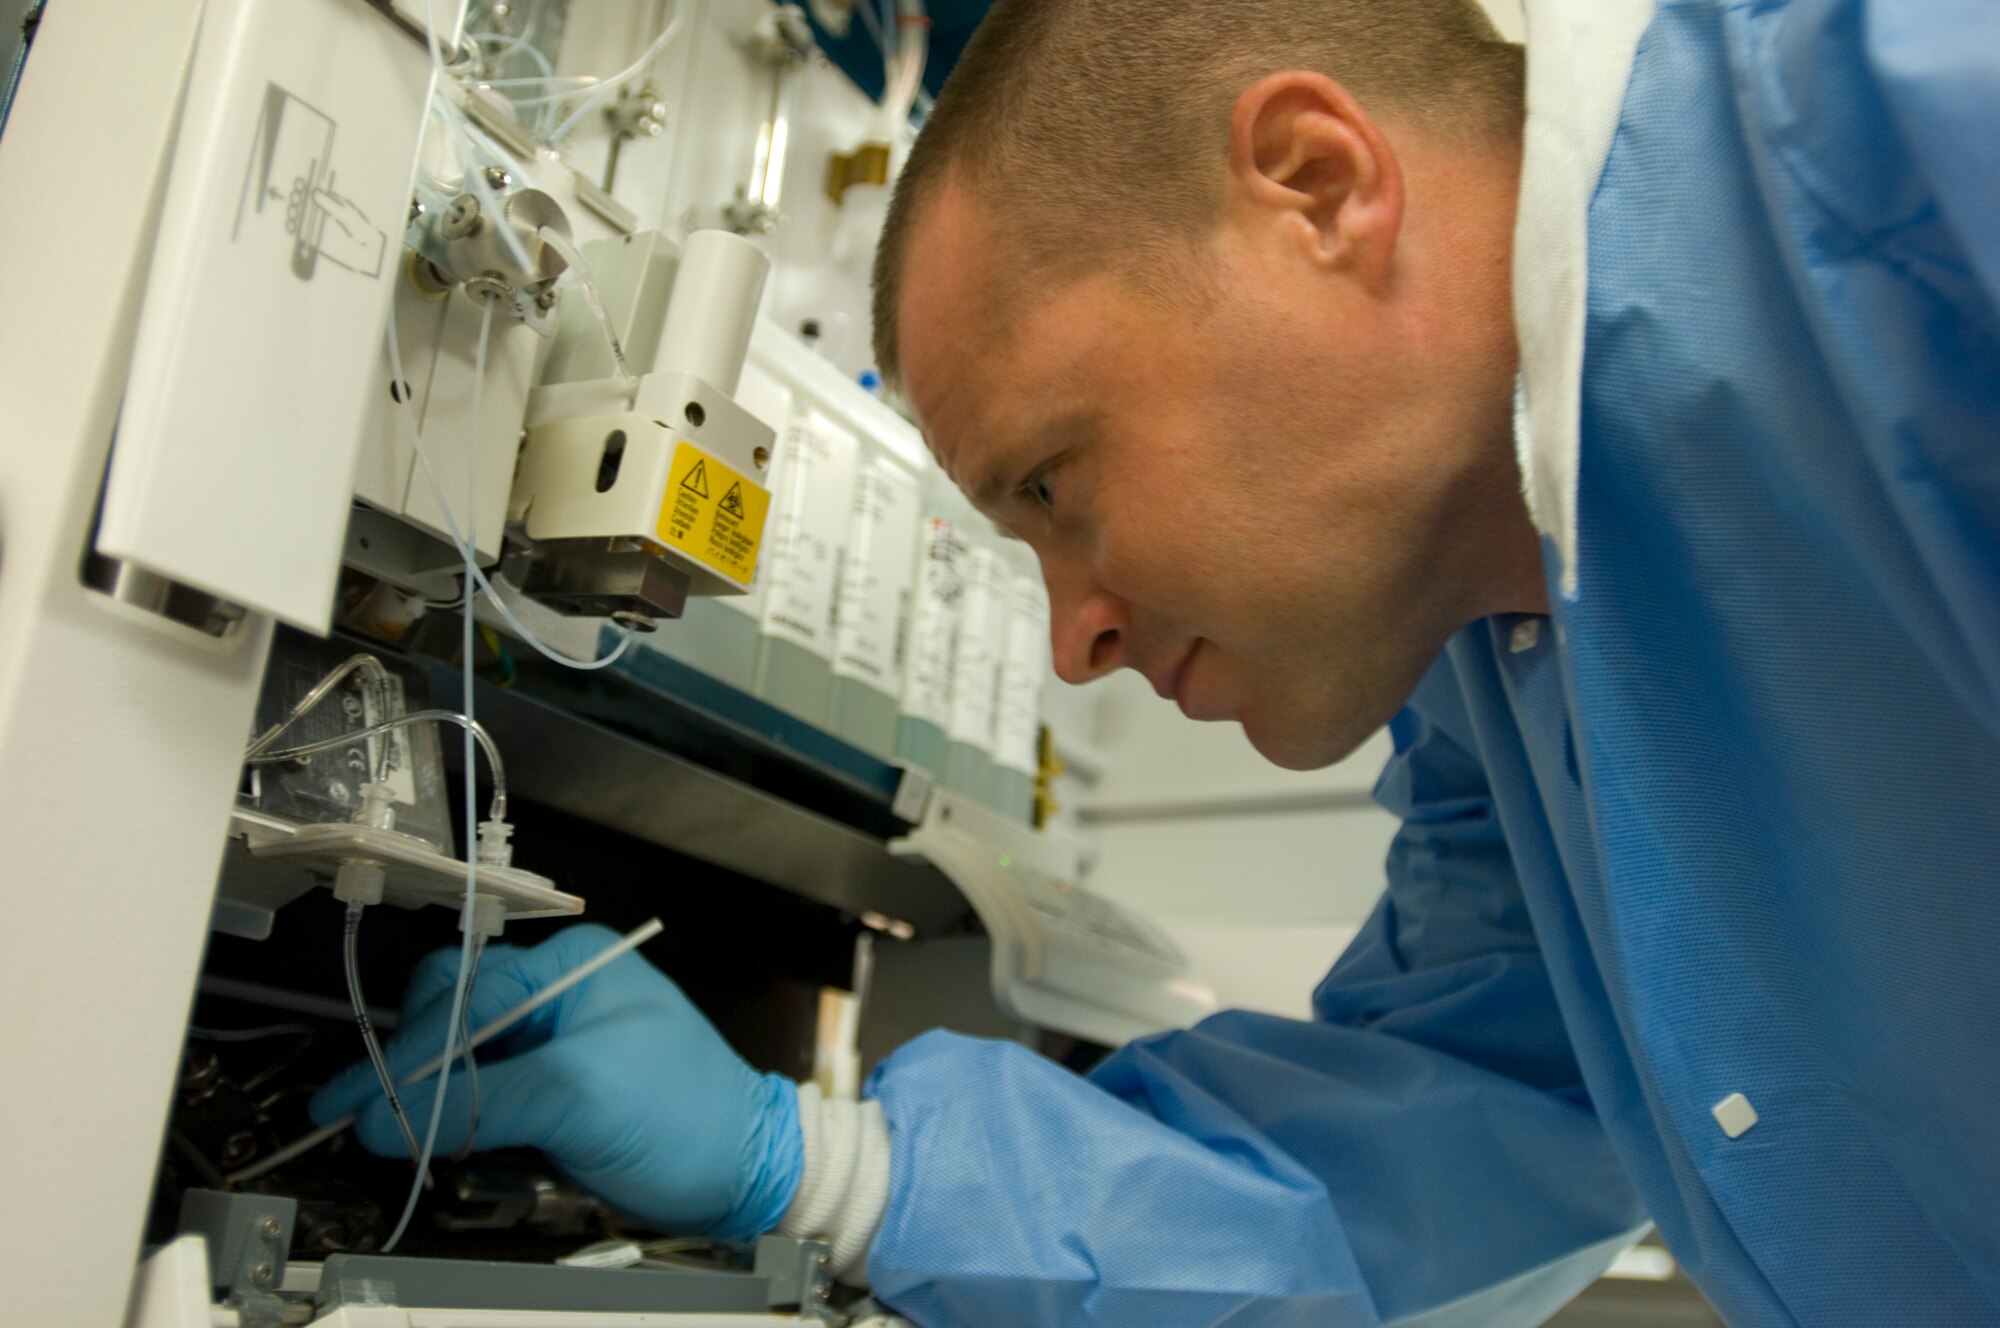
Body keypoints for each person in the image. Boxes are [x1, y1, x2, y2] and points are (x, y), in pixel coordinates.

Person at [315, 0, 2000, 1320]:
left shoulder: (1902, 136)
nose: (1075, 639)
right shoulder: (1522, 704)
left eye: (1053, 482)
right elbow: (1446, 1138)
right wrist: (810, 1166)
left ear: (1318, 190)